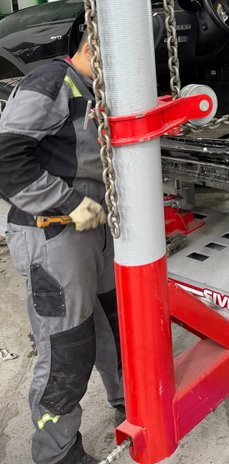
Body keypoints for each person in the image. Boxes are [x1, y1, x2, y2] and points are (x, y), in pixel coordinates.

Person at [0, 31, 123, 464]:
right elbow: (5, 158)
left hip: (94, 227)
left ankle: (130, 403)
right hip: (53, 232)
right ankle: (58, 453)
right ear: (92, 47)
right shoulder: (52, 82)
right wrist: (68, 203)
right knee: (67, 346)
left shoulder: (93, 91)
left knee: (115, 324)